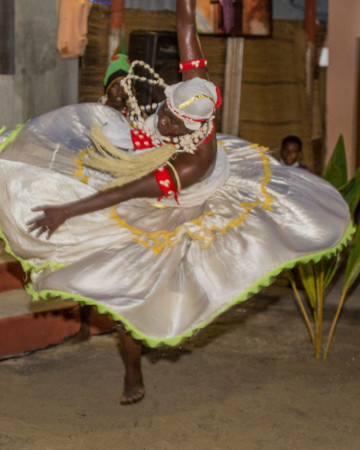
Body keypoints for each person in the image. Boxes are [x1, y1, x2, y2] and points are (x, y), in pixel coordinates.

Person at [0, 0, 352, 406]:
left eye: (172, 122)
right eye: (165, 111)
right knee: (90, 136)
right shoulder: (195, 82)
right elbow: (187, 19)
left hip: (179, 200)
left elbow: (127, 192)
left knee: (132, 282)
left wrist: (67, 212)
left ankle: (134, 368)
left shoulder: (192, 163)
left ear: (196, 126)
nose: (163, 120)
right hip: (146, 161)